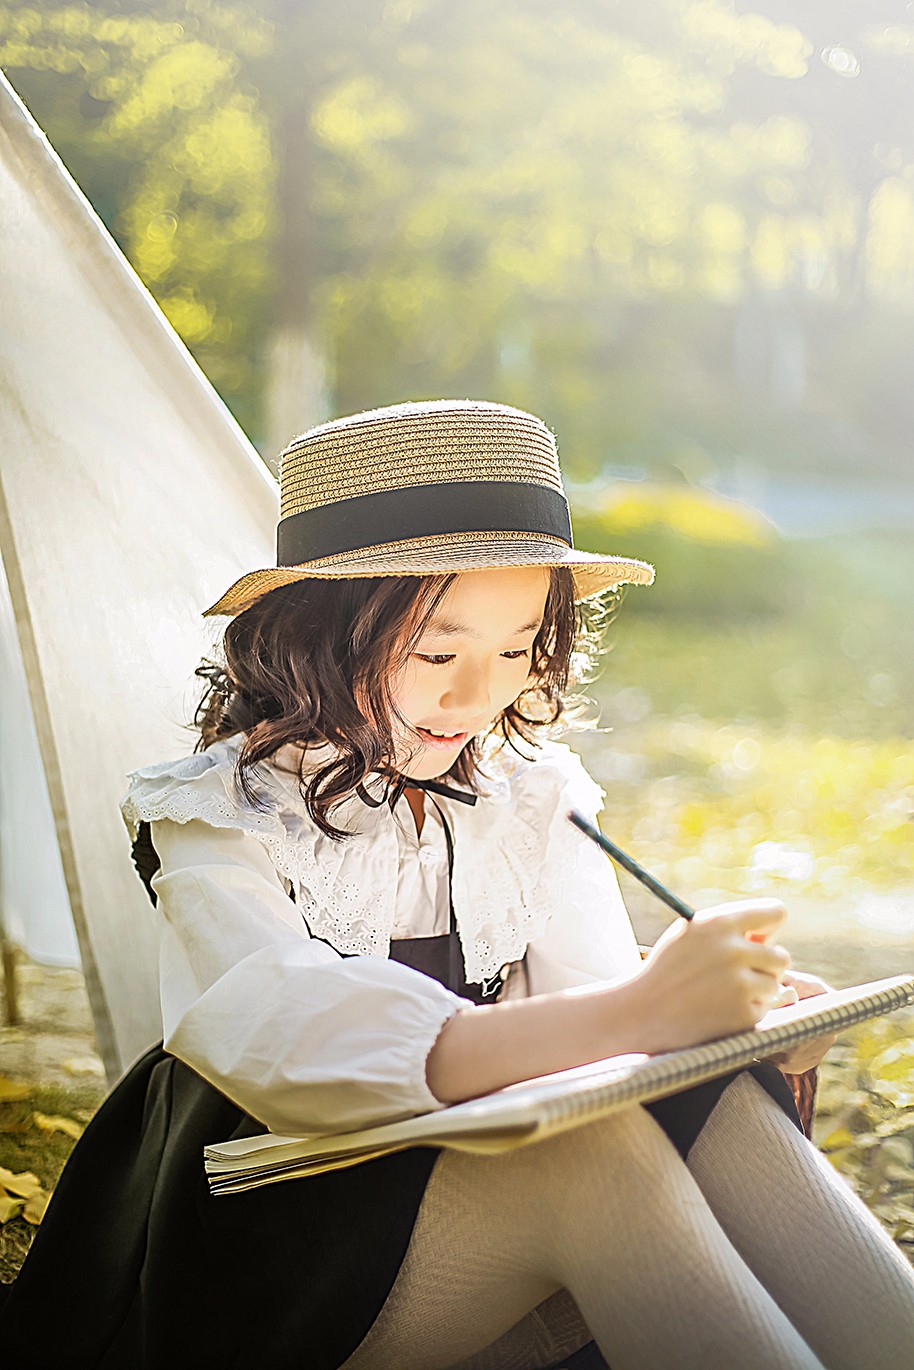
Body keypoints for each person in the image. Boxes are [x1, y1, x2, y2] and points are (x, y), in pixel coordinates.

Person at [2, 399, 913, 1370]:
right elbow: (284, 1037)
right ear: (314, 634)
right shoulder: (219, 812)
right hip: (269, 1220)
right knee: (588, 1152)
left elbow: (598, 1024)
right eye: (437, 650)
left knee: (711, 1102)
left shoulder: (528, 794)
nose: (477, 692)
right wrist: (637, 1006)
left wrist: (728, 1023)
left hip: (479, 1181)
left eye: (515, 647)